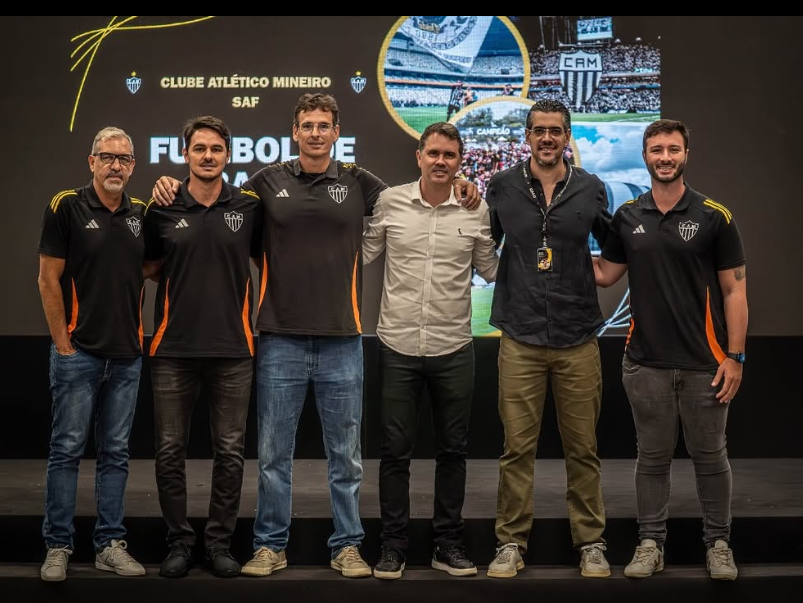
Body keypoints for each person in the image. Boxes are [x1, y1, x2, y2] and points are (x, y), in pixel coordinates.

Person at [151, 93, 480, 579]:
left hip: (343, 339)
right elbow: (216, 207)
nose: (315, 133)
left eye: (324, 125)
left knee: (345, 458)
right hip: (278, 338)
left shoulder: (358, 182)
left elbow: (415, 199)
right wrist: (166, 184)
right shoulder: (265, 183)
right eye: (307, 125)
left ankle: (346, 546)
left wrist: (461, 185)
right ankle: (270, 546)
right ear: (294, 132)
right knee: (274, 457)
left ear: (335, 132)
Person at [593, 119, 747, 581]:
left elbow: (735, 291)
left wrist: (735, 358)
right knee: (652, 459)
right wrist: (548, 251)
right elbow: (605, 274)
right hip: (645, 364)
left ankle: (718, 543)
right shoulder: (628, 218)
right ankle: (649, 544)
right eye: (657, 149)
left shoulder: (714, 216)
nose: (665, 157)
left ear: (685, 155)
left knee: (711, 458)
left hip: (707, 364)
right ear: (645, 155)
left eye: (673, 149)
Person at [363, 122, 498, 580]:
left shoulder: (473, 210)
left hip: (453, 346)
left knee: (453, 453)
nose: (442, 162)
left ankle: (448, 544)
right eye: (434, 153)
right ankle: (393, 547)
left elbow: (491, 269)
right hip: (397, 345)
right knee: (395, 452)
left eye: (450, 156)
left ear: (460, 161)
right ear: (419, 156)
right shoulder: (390, 202)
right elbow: (361, 255)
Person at [485, 99, 612, 578]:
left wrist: (602, 277)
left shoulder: (590, 188)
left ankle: (591, 543)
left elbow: (615, 245)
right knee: (516, 449)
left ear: (566, 136)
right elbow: (485, 245)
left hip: (578, 335)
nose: (546, 138)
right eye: (539, 130)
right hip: (520, 335)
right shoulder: (501, 186)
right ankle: (511, 543)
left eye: (555, 131)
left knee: (583, 448)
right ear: (527, 135)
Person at [143, 116, 262, 579]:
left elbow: (262, 257)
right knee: (169, 451)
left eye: (216, 149)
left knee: (230, 453)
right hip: (172, 349)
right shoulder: (161, 208)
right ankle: (178, 542)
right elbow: (151, 267)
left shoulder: (250, 207)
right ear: (185, 154)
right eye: (199, 149)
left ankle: (218, 544)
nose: (208, 156)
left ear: (228, 155)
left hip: (235, 350)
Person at [37, 127, 147, 582]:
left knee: (116, 454)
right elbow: (47, 279)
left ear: (133, 166)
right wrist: (63, 344)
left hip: (127, 357)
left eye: (123, 158)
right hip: (78, 354)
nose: (115, 165)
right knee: (65, 451)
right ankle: (58, 545)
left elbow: (156, 266)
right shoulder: (66, 205)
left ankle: (109, 544)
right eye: (107, 157)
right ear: (92, 161)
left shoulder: (142, 214)